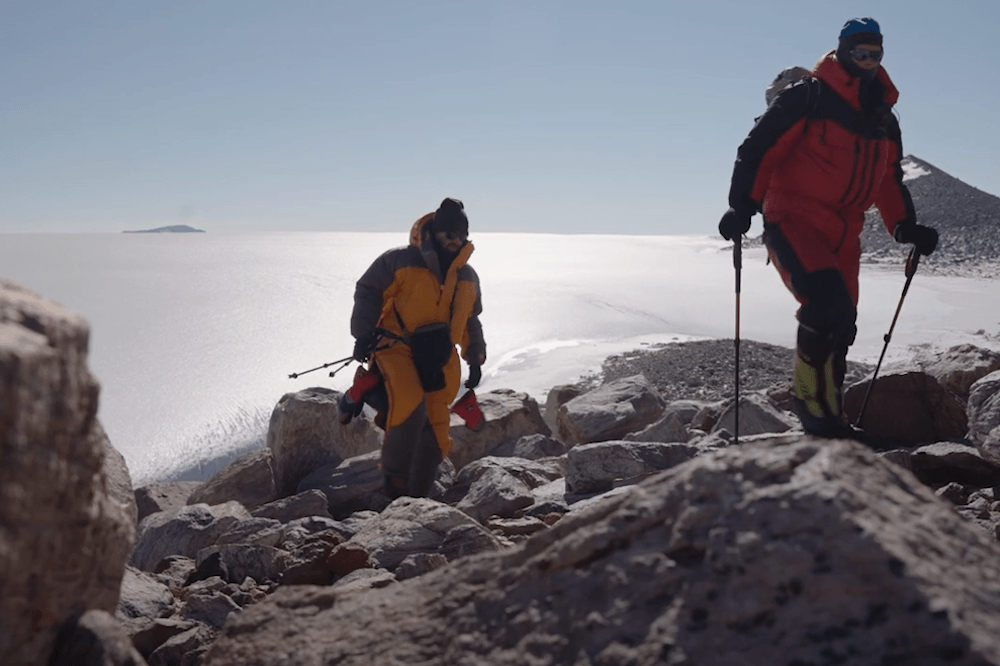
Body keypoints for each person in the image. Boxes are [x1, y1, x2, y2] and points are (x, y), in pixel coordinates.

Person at [718, 17, 939, 437]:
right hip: (793, 217)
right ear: (841, 51)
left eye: (876, 54)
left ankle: (830, 416)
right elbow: (758, 149)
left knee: (843, 324)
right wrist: (742, 207)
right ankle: (807, 400)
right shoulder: (809, 98)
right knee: (825, 305)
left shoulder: (883, 117)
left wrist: (905, 228)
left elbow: (889, 180)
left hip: (844, 231)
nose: (869, 62)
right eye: (860, 53)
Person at [350, 197, 486, 497]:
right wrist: (363, 334)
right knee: (410, 402)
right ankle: (394, 484)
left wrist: (474, 356)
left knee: (438, 426)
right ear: (435, 231)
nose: (455, 240)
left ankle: (418, 495)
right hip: (395, 345)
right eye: (449, 233)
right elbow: (369, 291)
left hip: (438, 354)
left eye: (461, 234)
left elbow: (470, 319)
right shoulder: (399, 261)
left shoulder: (467, 276)